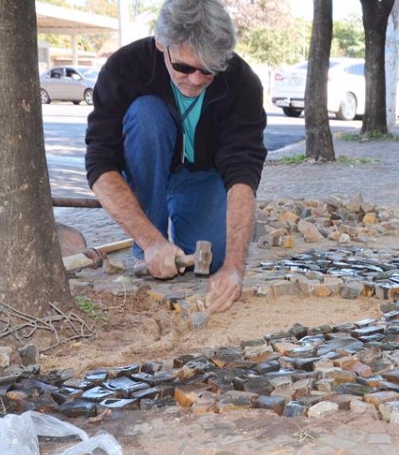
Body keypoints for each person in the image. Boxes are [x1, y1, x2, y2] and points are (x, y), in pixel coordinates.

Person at [85, 0, 267, 313]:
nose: (195, 80)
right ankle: (150, 248)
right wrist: (151, 241)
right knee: (146, 115)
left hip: (203, 176)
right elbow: (100, 167)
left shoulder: (242, 82)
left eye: (208, 71)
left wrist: (235, 268)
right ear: (161, 45)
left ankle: (180, 232)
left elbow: (243, 173)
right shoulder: (125, 68)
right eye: (184, 67)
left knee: (215, 258)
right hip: (148, 172)